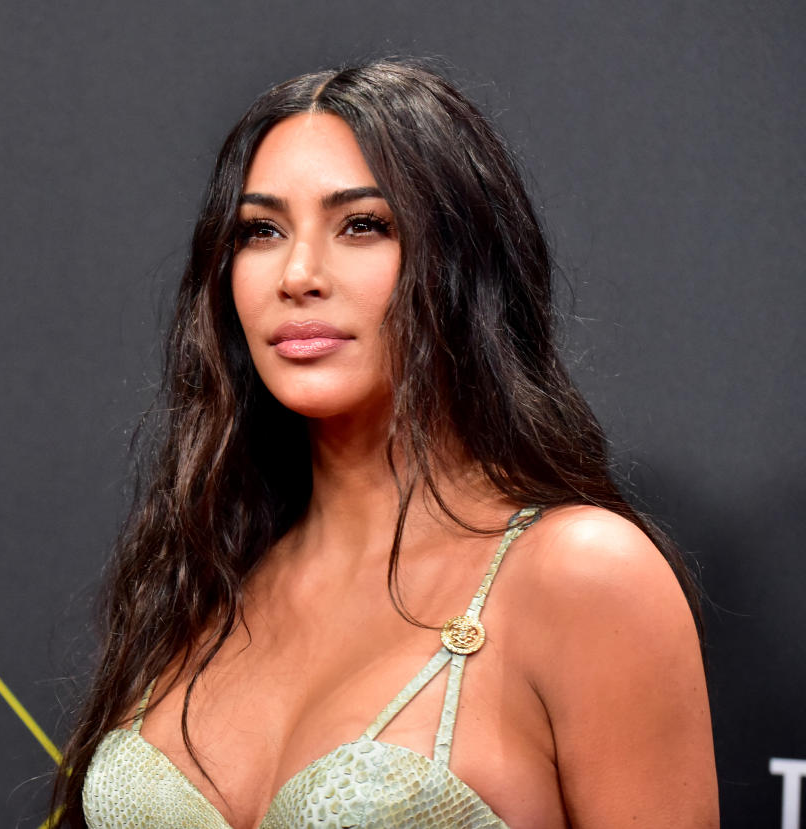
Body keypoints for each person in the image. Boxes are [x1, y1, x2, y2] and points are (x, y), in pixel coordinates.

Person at [56, 58, 718, 828]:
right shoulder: (207, 568)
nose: (298, 273)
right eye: (261, 230)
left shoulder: (583, 575)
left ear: (463, 267)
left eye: (363, 224)